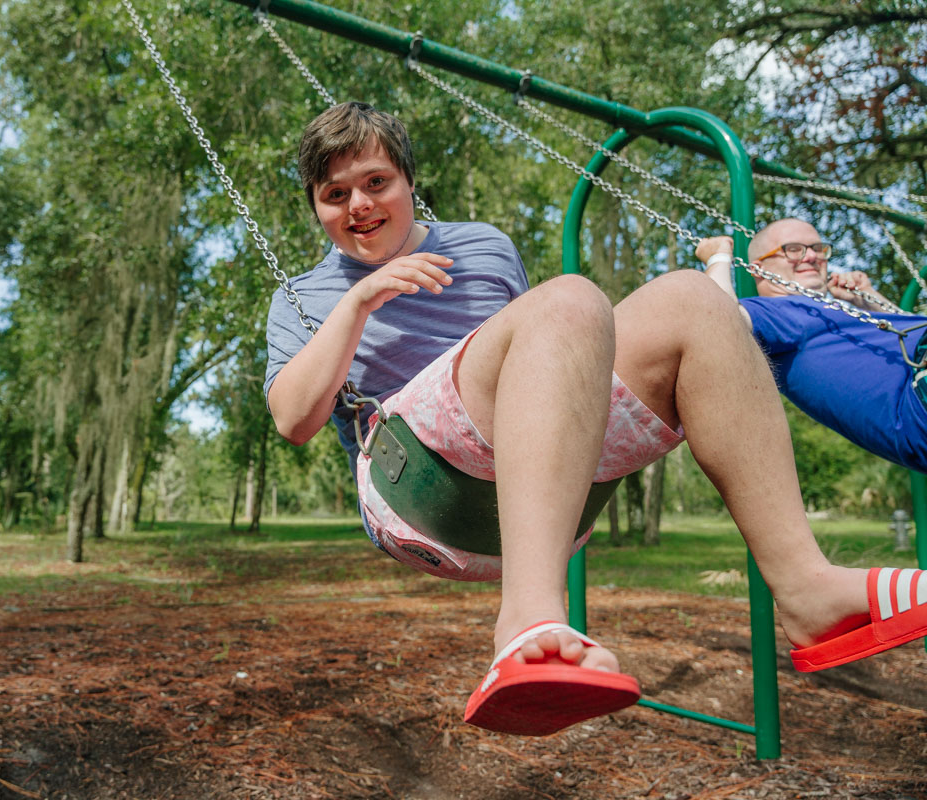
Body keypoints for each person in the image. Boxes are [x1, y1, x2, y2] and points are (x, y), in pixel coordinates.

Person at [265, 102, 927, 737]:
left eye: (376, 182)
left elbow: (555, 358)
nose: (359, 205)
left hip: (538, 492)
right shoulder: (303, 297)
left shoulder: (484, 249)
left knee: (695, 300)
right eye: (335, 194)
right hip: (420, 490)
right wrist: (358, 303)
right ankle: (527, 621)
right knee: (573, 298)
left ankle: (809, 592)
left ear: (410, 181)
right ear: (316, 207)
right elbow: (295, 421)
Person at [696, 219, 927, 472]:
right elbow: (718, 321)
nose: (812, 256)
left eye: (817, 248)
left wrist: (868, 301)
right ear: (758, 269)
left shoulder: (831, 311)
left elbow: (909, 334)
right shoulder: (776, 311)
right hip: (916, 409)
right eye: (793, 249)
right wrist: (717, 258)